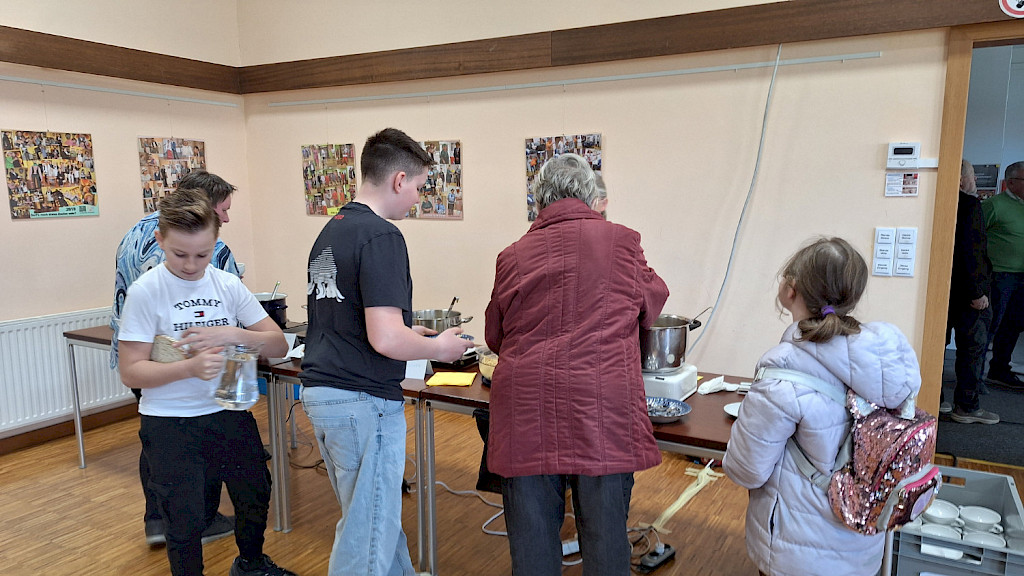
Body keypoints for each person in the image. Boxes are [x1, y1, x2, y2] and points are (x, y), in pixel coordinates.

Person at [484, 153, 669, 576]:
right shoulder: (623, 242)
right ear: (591, 197)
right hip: (601, 407)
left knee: (532, 547)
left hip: (526, 410)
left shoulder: (511, 255)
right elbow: (653, 301)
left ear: (539, 200)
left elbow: (495, 335)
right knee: (605, 542)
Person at [300, 127, 473, 576]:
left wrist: (406, 331)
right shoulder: (383, 236)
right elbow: (386, 340)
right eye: (418, 187)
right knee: (367, 538)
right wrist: (439, 347)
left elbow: (359, 322)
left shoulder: (333, 228)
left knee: (377, 522)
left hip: (324, 395)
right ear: (399, 180)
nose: (417, 198)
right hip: (362, 401)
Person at [117, 188, 296, 576]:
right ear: (160, 239)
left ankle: (250, 564)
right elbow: (130, 371)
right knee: (183, 518)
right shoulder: (146, 291)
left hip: (228, 411)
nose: (191, 265)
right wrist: (189, 368)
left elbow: (278, 344)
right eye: (179, 254)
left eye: (202, 254)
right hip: (170, 422)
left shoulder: (227, 285)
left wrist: (233, 334)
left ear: (215, 242)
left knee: (254, 494)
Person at [722, 237, 922, 576]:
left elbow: (746, 470)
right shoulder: (885, 365)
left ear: (791, 289)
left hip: (797, 553)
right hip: (863, 545)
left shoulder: (782, 370)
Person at [111, 169, 240, 547]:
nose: (226, 218)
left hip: (136, 352)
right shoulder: (210, 250)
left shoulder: (134, 231)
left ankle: (157, 519)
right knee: (197, 449)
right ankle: (202, 519)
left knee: (157, 443)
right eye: (222, 210)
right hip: (182, 363)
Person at [943, 160, 998, 423]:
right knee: (972, 350)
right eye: (973, 175)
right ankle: (967, 406)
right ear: (962, 179)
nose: (975, 180)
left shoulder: (940, 203)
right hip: (968, 293)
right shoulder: (970, 205)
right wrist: (977, 292)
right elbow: (971, 251)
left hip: (943, 289)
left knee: (937, 346)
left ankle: (935, 398)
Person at [983, 161, 1024, 389]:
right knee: (991, 326)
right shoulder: (994, 205)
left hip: (1021, 277)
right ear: (1011, 182)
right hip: (999, 276)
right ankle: (974, 378)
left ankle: (999, 369)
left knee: (1013, 325)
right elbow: (975, 237)